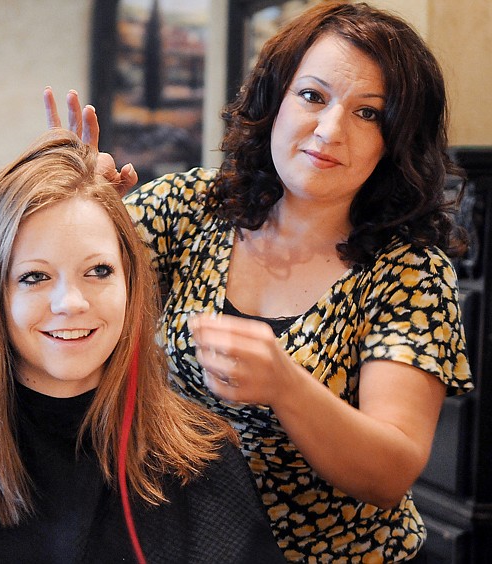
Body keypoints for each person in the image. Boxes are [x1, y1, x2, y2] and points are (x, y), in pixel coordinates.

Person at [46, 1, 476, 561]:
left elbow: (389, 471)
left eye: (368, 113)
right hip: (190, 545)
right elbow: (68, 297)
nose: (330, 130)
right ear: (274, 101)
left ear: (396, 140)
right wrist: (78, 202)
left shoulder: (411, 273)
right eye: (312, 96)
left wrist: (285, 386)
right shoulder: (190, 208)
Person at [0, 130, 287, 563]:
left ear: (130, 282)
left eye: (98, 271)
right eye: (34, 277)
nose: (71, 304)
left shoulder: (202, 463)